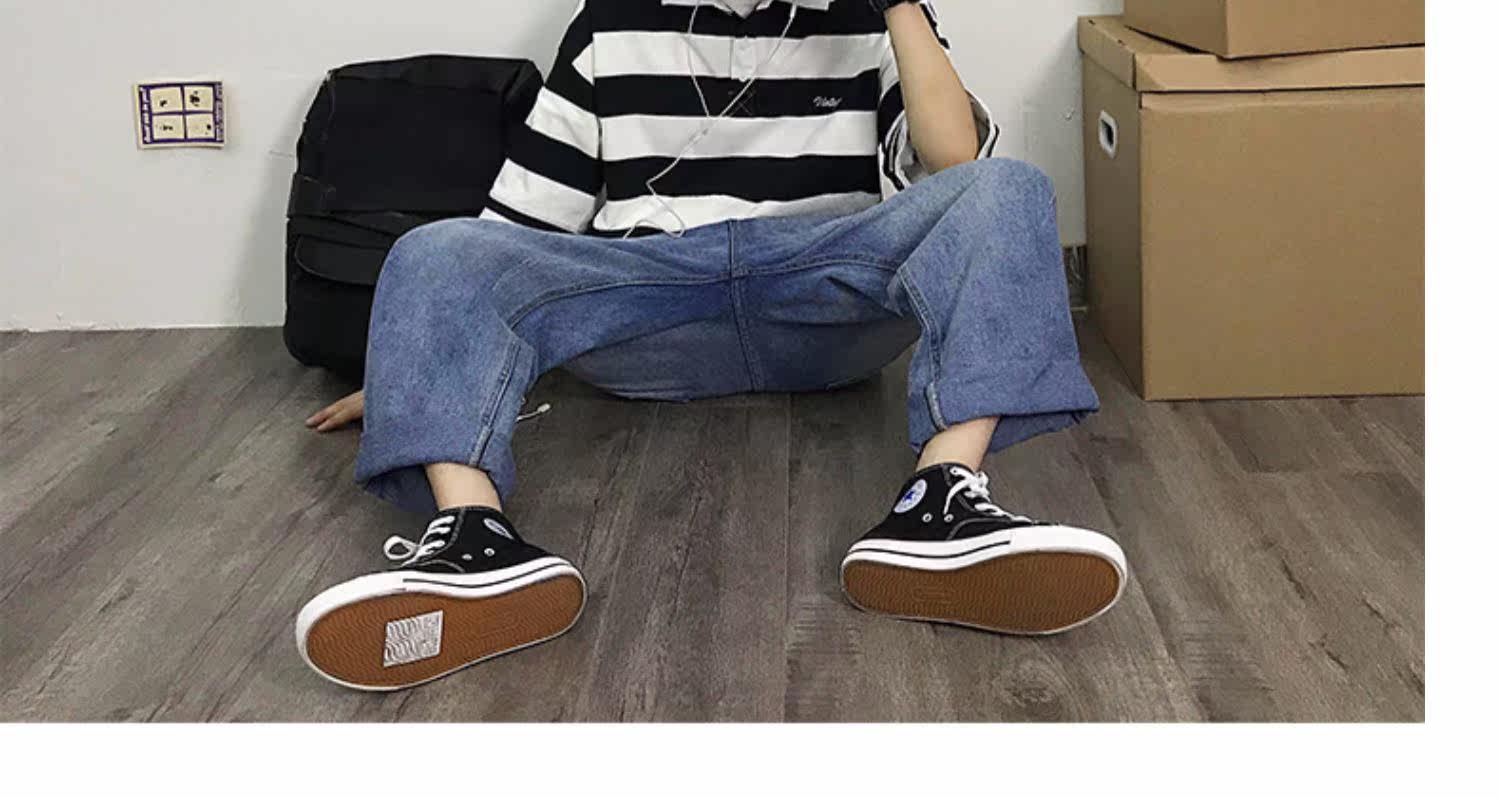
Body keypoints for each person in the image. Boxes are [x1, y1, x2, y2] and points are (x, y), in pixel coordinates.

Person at [294, 0, 1128, 692]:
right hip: (647, 307)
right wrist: (427, 369)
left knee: (1007, 187)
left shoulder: (871, 20)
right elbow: (517, 228)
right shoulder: (609, 21)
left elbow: (951, 165)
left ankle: (940, 503)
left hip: (821, 302)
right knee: (437, 249)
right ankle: (473, 537)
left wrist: (901, 5)